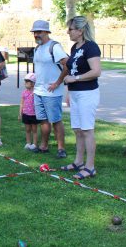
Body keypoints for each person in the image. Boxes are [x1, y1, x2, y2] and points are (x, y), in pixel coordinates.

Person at [62, 16, 102, 179]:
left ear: (80, 31)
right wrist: (69, 92)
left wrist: (75, 79)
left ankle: (90, 167)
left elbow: (96, 71)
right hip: (76, 94)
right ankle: (78, 162)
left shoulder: (91, 47)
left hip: (87, 94)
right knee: (78, 130)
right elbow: (72, 71)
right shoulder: (74, 48)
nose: (68, 32)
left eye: (70, 29)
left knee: (87, 130)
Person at [30, 20, 69, 158]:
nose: (36, 35)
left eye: (39, 32)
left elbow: (67, 65)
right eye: (34, 32)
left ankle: (61, 149)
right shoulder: (37, 48)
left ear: (47, 32)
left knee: (56, 120)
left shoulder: (54, 46)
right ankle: (44, 146)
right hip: (38, 91)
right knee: (43, 120)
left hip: (52, 92)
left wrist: (58, 82)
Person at [19, 73, 39, 152]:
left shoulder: (36, 93)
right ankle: (28, 143)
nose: (25, 84)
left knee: (34, 130)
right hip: (26, 114)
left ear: (33, 83)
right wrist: (20, 113)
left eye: (27, 82)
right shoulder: (24, 92)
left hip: (34, 115)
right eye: (25, 82)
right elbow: (22, 103)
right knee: (27, 129)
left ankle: (34, 144)